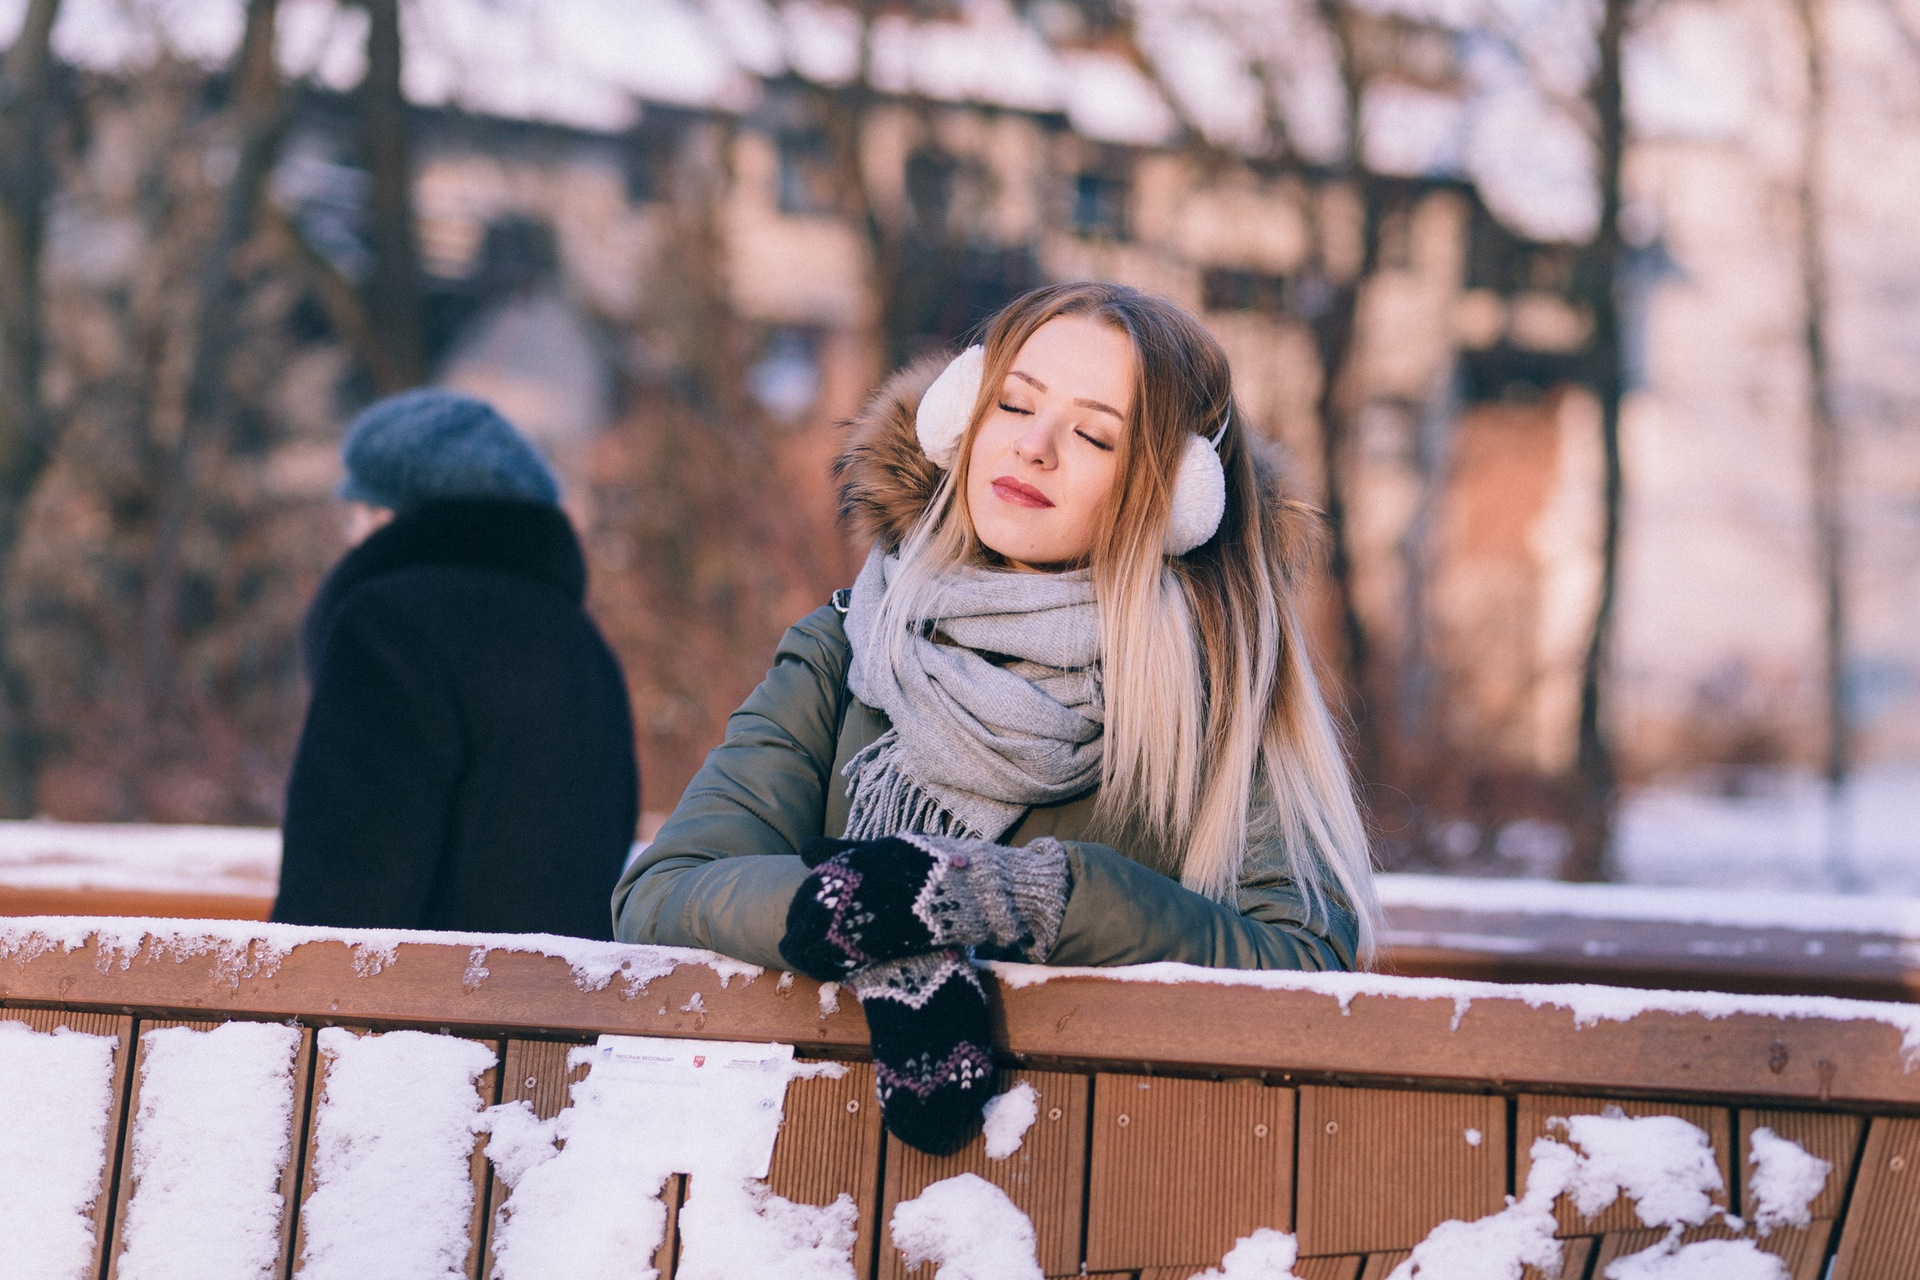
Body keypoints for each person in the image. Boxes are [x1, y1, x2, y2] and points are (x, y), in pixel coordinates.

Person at [613, 282, 1378, 1152]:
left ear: (1173, 500)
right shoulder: (846, 648)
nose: (1033, 446)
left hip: (1098, 1189)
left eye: (1094, 434)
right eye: (1011, 403)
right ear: (959, 423)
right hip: (808, 1178)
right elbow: (665, 890)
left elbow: (1305, 963)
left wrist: (1038, 899)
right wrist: (875, 917)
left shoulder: (1221, 695)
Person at [273, 389, 638, 940]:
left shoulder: (387, 625)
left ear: (390, 516)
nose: (348, 540)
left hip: (410, 1021)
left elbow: (343, 892)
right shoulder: (582, 643)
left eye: (356, 514)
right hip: (563, 1016)